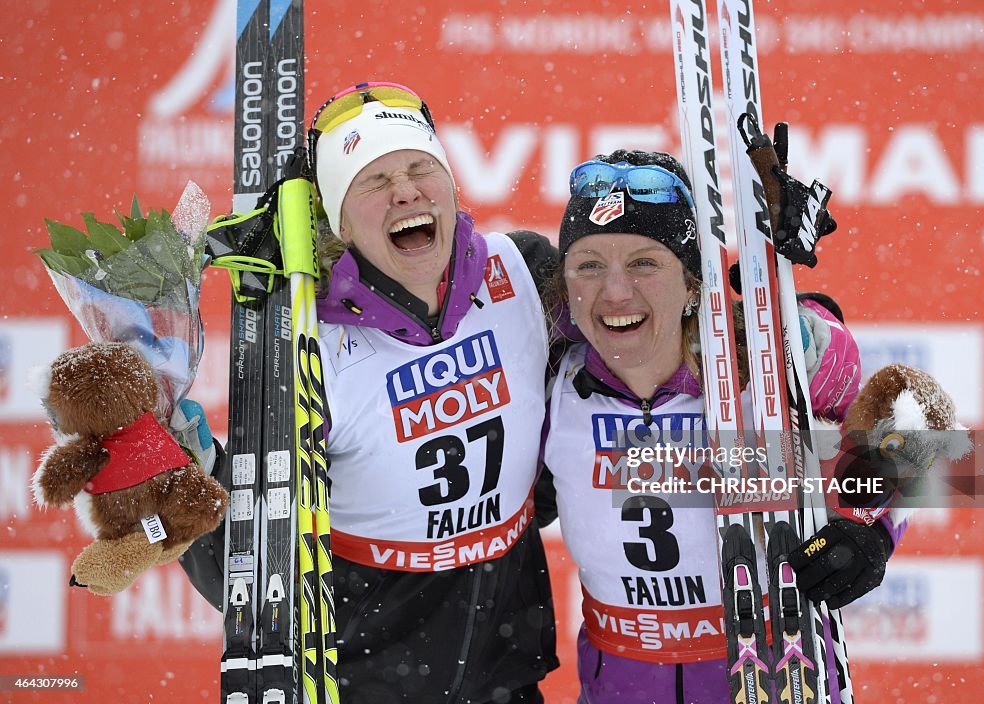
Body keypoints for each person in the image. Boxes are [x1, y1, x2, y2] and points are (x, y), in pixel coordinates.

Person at [181, 82, 561, 704]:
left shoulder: (521, 272)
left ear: (451, 187)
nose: (405, 191)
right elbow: (252, 570)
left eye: (420, 169)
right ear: (339, 220)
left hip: (506, 675)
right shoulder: (312, 346)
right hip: (367, 679)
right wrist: (173, 471)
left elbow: (640, 345)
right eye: (373, 182)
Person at [539, 149, 908, 703]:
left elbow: (905, 438)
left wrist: (868, 529)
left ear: (693, 286)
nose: (615, 291)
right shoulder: (551, 380)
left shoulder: (768, 363)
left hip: (770, 672)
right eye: (589, 264)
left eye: (645, 262)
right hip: (620, 683)